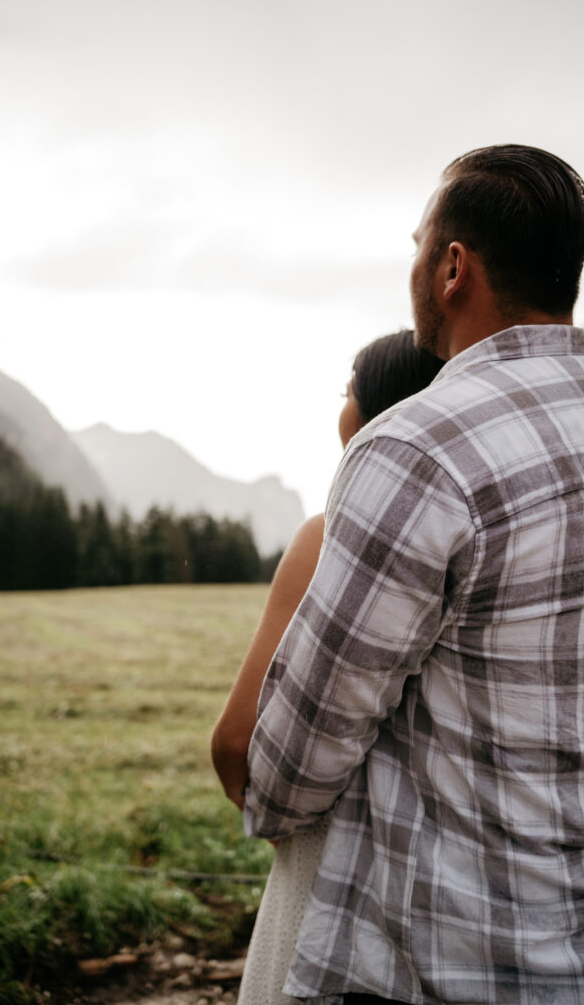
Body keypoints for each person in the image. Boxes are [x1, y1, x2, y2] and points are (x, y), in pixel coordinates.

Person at [243, 145, 584, 1005]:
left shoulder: (418, 448)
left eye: (419, 244)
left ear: (453, 267)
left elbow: (291, 766)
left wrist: (271, 806)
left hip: (445, 967)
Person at [211, 330, 444, 1005]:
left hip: (328, 869)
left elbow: (235, 741)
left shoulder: (328, 532)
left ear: (372, 409)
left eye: (348, 388)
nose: (340, 403)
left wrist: (277, 815)